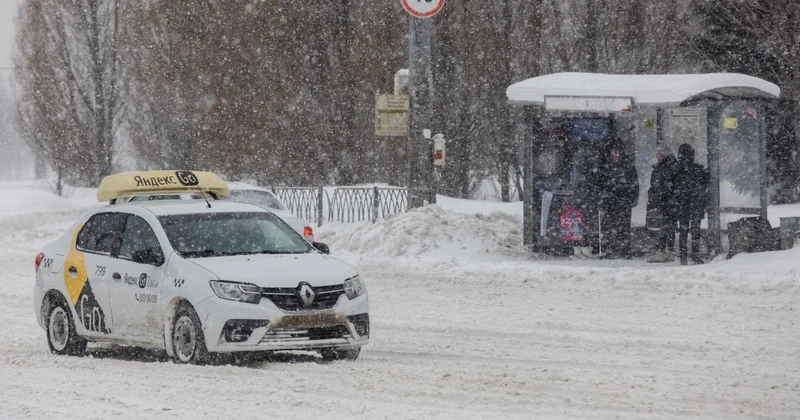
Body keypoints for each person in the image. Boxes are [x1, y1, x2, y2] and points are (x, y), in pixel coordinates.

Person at [597, 139, 639, 258]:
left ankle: (625, 250)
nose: (615, 153)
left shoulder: (627, 165)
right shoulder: (605, 165)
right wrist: (602, 197)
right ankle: (612, 249)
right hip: (610, 201)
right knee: (610, 226)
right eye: (613, 151)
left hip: (624, 201)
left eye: (617, 151)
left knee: (624, 226)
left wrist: (633, 198)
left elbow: (634, 183)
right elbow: (600, 183)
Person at [673, 143, 710, 265]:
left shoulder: (677, 169)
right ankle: (694, 254)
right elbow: (705, 184)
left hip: (684, 203)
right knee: (695, 230)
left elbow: (673, 187)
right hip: (695, 203)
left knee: (684, 230)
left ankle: (684, 254)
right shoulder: (697, 169)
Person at [646, 145, 679, 263]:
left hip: (667, 201)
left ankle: (663, 251)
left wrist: (662, 193)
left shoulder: (668, 167)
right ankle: (667, 250)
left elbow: (664, 184)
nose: (658, 156)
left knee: (665, 225)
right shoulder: (668, 166)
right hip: (666, 200)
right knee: (667, 226)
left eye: (660, 153)